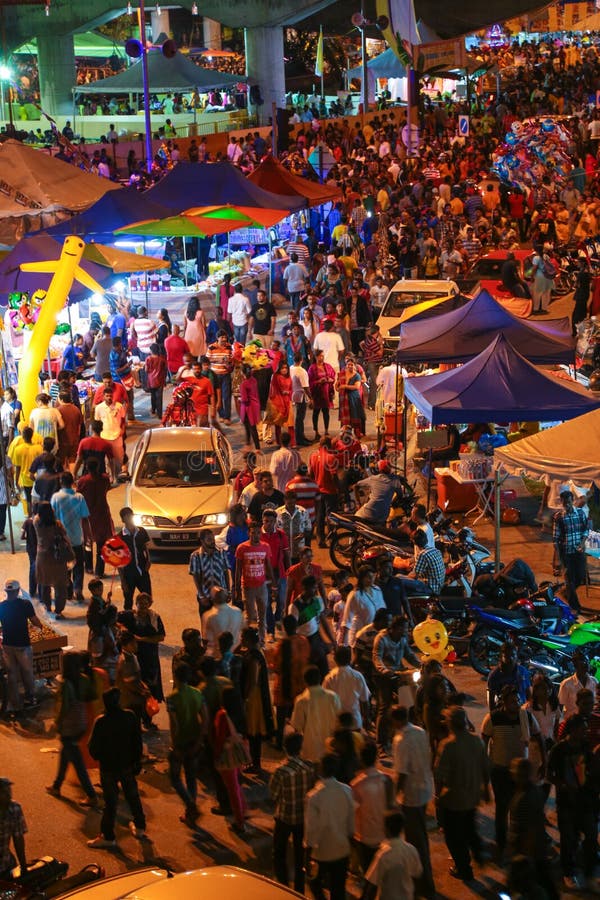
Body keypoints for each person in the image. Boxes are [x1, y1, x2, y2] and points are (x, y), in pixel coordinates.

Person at [481, 684, 545, 861]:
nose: (515, 703)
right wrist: (485, 769)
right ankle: (502, 845)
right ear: (503, 701)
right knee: (502, 810)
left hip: (521, 773)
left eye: (517, 699)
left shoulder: (526, 717)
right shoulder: (492, 718)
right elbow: (484, 743)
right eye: (511, 700)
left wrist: (544, 762)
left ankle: (519, 847)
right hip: (500, 771)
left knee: (519, 810)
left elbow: (539, 738)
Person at [434, 706, 490, 882]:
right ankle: (479, 855)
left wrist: (437, 797)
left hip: (453, 799)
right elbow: (485, 767)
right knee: (469, 828)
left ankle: (464, 868)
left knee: (453, 836)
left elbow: (439, 775)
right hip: (472, 796)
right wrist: (486, 790)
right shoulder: (476, 742)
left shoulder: (448, 746)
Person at [87, 687, 146, 848]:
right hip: (127, 765)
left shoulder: (102, 721)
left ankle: (108, 835)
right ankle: (140, 826)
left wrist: (101, 757)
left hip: (108, 768)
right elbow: (137, 742)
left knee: (111, 803)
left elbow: (93, 748)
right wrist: (136, 761)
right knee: (132, 796)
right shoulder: (129, 717)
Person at [548, 713, 598, 892]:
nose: (586, 730)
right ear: (573, 729)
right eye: (582, 727)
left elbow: (591, 769)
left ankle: (590, 874)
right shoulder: (559, 749)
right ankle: (568, 873)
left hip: (585, 801)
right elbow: (549, 775)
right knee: (568, 839)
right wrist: (562, 785)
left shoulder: (585, 746)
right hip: (567, 803)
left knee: (591, 837)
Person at [390, 705, 435, 899]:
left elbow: (401, 774)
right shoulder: (420, 731)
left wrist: (393, 798)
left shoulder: (400, 740)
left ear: (395, 721)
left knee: (416, 843)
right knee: (421, 837)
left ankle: (424, 885)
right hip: (424, 789)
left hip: (412, 796)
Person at [47, 651, 99, 807]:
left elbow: (64, 707)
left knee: (77, 762)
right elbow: (92, 696)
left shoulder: (66, 684)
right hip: (81, 721)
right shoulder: (83, 679)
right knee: (66, 753)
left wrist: (57, 723)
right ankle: (56, 786)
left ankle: (91, 795)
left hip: (69, 725)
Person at [270, 731, 316, 892]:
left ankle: (283, 888)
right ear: (300, 747)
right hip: (302, 817)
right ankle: (299, 890)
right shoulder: (309, 767)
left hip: (284, 817)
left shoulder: (280, 771)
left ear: (285, 748)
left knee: (279, 854)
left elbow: (274, 795)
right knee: (299, 856)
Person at [304, 753, 355, 900]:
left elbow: (311, 829)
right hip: (342, 848)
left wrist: (307, 854)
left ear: (320, 770)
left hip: (322, 852)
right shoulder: (346, 790)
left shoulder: (314, 796)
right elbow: (351, 821)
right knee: (338, 889)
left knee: (314, 883)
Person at [508, 758, 558, 900]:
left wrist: (522, 853)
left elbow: (528, 827)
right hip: (537, 847)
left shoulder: (524, 797)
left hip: (528, 850)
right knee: (544, 880)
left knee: (531, 883)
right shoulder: (535, 790)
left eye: (514, 770)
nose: (511, 773)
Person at [167, 662, 207, 828]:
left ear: (175, 677)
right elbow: (205, 719)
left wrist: (175, 746)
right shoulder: (197, 693)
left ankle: (190, 806)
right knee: (191, 776)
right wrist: (199, 741)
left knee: (175, 777)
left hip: (181, 742)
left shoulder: (172, 698)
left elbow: (174, 725)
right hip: (195, 740)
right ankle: (190, 812)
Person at [373, 616, 420, 754]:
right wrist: (385, 671)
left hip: (399, 674)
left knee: (411, 703)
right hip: (384, 677)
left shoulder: (403, 639)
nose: (406, 631)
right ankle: (381, 743)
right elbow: (377, 658)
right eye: (404, 628)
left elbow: (410, 655)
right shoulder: (381, 638)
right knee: (385, 707)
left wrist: (423, 665)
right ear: (395, 628)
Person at [0, 580, 42, 713]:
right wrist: (39, 627)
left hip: (7, 645)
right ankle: (30, 699)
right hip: (23, 645)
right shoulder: (25, 604)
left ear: (6, 592)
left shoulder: (1, 606)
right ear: (18, 591)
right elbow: (35, 621)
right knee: (27, 672)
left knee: (11, 674)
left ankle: (14, 703)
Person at [363, 809, 423, 900]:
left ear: (386, 829)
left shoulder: (383, 855)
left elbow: (372, 885)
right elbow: (417, 873)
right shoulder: (411, 849)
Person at [212, 685, 248, 834]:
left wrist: (216, 755)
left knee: (232, 788)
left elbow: (220, 738)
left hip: (227, 755)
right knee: (236, 784)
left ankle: (240, 822)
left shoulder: (222, 715)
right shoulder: (240, 711)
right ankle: (243, 809)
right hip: (238, 753)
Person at [51, 471, 89, 604]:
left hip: (62, 539)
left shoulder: (56, 497)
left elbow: (52, 518)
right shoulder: (79, 497)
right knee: (78, 566)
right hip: (77, 537)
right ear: (73, 482)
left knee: (64, 566)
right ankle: (78, 590)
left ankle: (68, 591)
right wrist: (87, 535)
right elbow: (85, 518)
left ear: (61, 482)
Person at [234, 519, 274, 647]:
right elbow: (238, 569)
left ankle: (261, 641)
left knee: (262, 616)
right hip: (248, 586)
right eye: (253, 533)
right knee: (249, 615)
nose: (256, 535)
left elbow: (268, 566)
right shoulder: (242, 548)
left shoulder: (265, 547)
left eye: (258, 532)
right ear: (248, 533)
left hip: (261, 585)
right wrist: (237, 588)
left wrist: (273, 584)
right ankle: (245, 640)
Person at [290, 665, 340, 763]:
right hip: (330, 750)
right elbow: (339, 721)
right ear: (320, 678)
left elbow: (297, 726)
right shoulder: (333, 697)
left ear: (305, 681)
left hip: (310, 752)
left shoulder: (301, 700)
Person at [552, 487, 590, 612]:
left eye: (568, 502)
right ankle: (575, 606)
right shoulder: (558, 517)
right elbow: (556, 539)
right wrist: (557, 559)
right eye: (564, 503)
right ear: (561, 502)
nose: (566, 505)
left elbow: (586, 530)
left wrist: (583, 543)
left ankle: (564, 593)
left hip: (579, 553)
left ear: (573, 500)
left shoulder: (580, 513)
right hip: (566, 554)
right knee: (569, 580)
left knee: (579, 577)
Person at [33, 502, 73, 618]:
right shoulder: (58, 525)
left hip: (42, 558)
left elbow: (36, 516)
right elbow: (65, 537)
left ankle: (47, 606)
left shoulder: (37, 523)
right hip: (57, 557)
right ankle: (59, 610)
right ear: (52, 511)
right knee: (60, 586)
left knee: (44, 584)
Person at [77, 459, 113, 578]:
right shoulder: (104, 478)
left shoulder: (83, 481)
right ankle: (99, 571)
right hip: (102, 514)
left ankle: (88, 567)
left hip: (88, 514)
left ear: (86, 467)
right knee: (101, 544)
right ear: (98, 467)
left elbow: (78, 493)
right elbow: (108, 488)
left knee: (87, 542)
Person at [323, 645, 370, 730]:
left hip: (337, 723)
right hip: (355, 721)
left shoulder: (329, 678)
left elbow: (325, 701)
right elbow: (365, 700)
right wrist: (366, 718)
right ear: (349, 659)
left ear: (335, 659)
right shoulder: (358, 676)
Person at [340, 566, 385, 648]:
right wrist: (343, 644)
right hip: (359, 638)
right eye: (368, 577)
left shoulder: (377, 590)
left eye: (373, 576)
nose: (371, 579)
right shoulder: (355, 595)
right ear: (361, 578)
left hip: (376, 638)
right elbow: (347, 621)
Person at [189, 529, 230, 618]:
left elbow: (225, 572)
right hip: (206, 595)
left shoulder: (221, 553)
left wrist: (228, 591)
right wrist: (202, 596)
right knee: (206, 624)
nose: (212, 542)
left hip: (221, 595)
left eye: (213, 539)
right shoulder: (195, 556)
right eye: (209, 540)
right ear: (202, 541)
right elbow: (196, 577)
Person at [117, 507, 152, 611]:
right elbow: (118, 561)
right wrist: (123, 581)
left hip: (142, 571)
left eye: (130, 515)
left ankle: (143, 617)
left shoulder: (141, 531)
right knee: (128, 601)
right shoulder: (120, 537)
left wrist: (149, 560)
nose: (129, 518)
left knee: (147, 598)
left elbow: (146, 547)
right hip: (129, 574)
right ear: (123, 520)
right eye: (126, 517)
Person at [93, 388, 126, 481]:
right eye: (107, 396)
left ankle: (118, 475)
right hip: (104, 437)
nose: (109, 398)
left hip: (117, 436)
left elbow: (123, 420)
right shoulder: (99, 408)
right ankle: (110, 477)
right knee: (107, 459)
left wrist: (122, 430)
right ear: (103, 397)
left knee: (119, 457)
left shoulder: (119, 406)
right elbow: (97, 422)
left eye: (110, 396)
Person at [488, 642, 532, 709]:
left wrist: (529, 709)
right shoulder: (494, 676)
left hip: (523, 709)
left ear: (516, 656)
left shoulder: (523, 671)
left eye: (513, 655)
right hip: (506, 711)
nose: (511, 658)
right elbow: (491, 701)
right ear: (501, 657)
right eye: (506, 656)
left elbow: (528, 692)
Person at [202, 586, 242, 657]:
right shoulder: (237, 612)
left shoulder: (208, 616)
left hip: (217, 655)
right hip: (235, 654)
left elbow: (205, 639)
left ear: (212, 599)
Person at [0, 778, 28, 880]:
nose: (8, 794)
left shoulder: (15, 809)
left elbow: (18, 839)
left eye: (9, 790)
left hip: (6, 863)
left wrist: (23, 866)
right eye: (3, 791)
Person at [558, 650, 598, 717]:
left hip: (589, 721)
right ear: (575, 665)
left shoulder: (594, 681)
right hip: (572, 723)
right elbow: (560, 705)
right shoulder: (566, 684)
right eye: (583, 661)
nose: (586, 663)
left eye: (587, 661)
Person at [276, 491, 312, 564]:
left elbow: (308, 529)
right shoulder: (278, 513)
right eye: (289, 503)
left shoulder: (303, 512)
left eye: (293, 503)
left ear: (296, 501)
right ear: (284, 500)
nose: (291, 505)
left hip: (299, 549)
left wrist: (303, 535)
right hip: (283, 549)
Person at [308, 349, 335, 439]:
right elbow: (310, 382)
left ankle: (326, 430)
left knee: (326, 412)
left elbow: (333, 376)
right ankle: (316, 431)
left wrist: (330, 380)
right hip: (317, 394)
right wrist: (319, 381)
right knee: (316, 412)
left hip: (326, 393)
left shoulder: (327, 366)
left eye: (322, 356)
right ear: (316, 357)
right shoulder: (312, 368)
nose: (322, 357)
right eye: (320, 356)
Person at [290, 351, 312, 447]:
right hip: (301, 396)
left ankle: (301, 436)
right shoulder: (302, 371)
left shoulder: (291, 368)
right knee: (300, 418)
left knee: (299, 418)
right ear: (301, 360)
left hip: (294, 394)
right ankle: (300, 439)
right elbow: (306, 387)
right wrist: (311, 398)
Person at [239, 365, 261, 450]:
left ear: (242, 372)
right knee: (252, 427)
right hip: (255, 406)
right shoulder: (254, 380)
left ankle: (256, 447)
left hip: (248, 408)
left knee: (251, 428)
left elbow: (244, 399)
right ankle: (251, 445)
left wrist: (240, 399)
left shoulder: (243, 384)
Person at [144, 343, 167, 418]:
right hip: (160, 380)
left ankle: (153, 410)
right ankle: (160, 414)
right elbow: (165, 369)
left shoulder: (148, 359)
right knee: (159, 397)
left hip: (151, 380)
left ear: (151, 351)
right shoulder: (162, 359)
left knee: (153, 396)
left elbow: (146, 370)